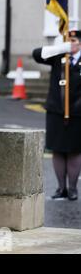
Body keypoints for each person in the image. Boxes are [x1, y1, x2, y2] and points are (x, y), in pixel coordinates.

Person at [33, 30, 81, 201]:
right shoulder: (58, 57)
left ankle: (73, 188)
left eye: (74, 40)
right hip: (56, 112)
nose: (71, 43)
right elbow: (37, 54)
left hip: (77, 114)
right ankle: (61, 188)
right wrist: (61, 47)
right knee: (58, 150)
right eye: (68, 40)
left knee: (74, 150)